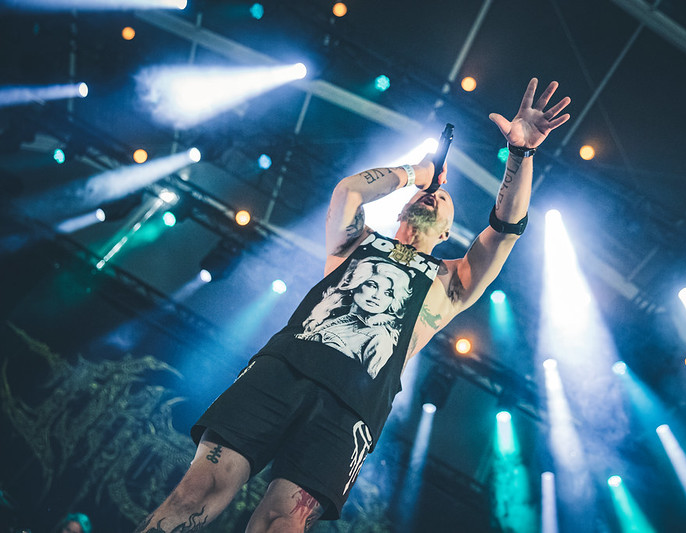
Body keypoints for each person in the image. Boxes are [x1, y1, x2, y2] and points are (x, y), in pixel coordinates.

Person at [133, 77, 570, 533]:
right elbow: (349, 191)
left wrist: (520, 154)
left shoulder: (451, 280)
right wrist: (418, 173)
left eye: (443, 199)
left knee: (282, 522)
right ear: (400, 210)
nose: (433, 196)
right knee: (197, 491)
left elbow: (505, 230)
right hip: (283, 366)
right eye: (429, 193)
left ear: (446, 233)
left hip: (354, 405)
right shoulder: (356, 242)